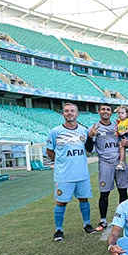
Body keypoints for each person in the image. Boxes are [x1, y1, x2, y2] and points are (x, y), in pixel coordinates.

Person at [46, 103, 94, 241]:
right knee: (61, 202)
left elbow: (89, 148)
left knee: (84, 199)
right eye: (66, 111)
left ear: (77, 114)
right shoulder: (55, 132)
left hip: (82, 174)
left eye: (72, 111)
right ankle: (59, 230)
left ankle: (87, 225)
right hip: (64, 175)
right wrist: (60, 161)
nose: (69, 113)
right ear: (63, 114)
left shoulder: (84, 131)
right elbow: (49, 150)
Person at [85, 103, 128, 231]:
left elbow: (126, 142)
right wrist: (90, 136)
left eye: (108, 110)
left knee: (123, 191)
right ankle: (103, 220)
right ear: (99, 112)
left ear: (111, 113)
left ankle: (124, 218)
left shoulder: (117, 126)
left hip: (119, 161)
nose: (105, 111)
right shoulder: (94, 127)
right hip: (105, 163)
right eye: (103, 109)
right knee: (104, 193)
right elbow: (88, 149)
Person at [114, 105, 128, 171]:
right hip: (120, 136)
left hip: (126, 136)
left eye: (122, 113)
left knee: (122, 147)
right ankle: (123, 163)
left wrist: (124, 132)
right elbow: (118, 129)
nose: (120, 115)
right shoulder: (119, 122)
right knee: (121, 148)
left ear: (126, 114)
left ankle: (121, 162)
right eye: (119, 113)